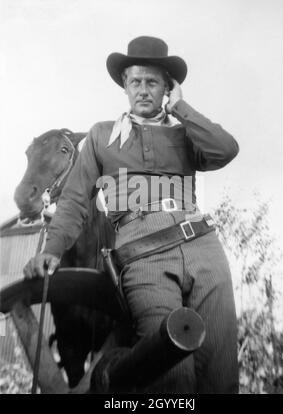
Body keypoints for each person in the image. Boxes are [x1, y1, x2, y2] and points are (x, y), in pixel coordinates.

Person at [24, 36, 239, 393]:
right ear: (124, 85)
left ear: (167, 88)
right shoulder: (101, 136)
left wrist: (183, 110)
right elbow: (75, 200)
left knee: (220, 371)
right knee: (170, 370)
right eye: (135, 81)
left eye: (152, 82)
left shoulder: (186, 134)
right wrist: (52, 250)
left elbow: (226, 149)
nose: (142, 90)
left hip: (203, 245)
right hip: (143, 253)